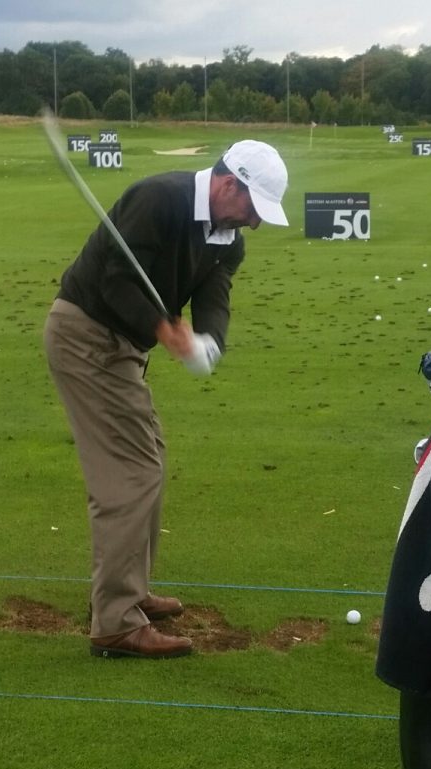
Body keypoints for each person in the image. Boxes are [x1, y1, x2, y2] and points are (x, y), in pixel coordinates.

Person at [43, 140, 289, 658]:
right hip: (87, 337)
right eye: (253, 208)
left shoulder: (228, 238)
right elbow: (114, 281)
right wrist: (161, 329)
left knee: (149, 458)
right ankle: (115, 622)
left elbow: (214, 299)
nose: (256, 222)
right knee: (132, 472)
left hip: (123, 347)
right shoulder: (158, 198)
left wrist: (208, 346)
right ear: (228, 184)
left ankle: (128, 591)